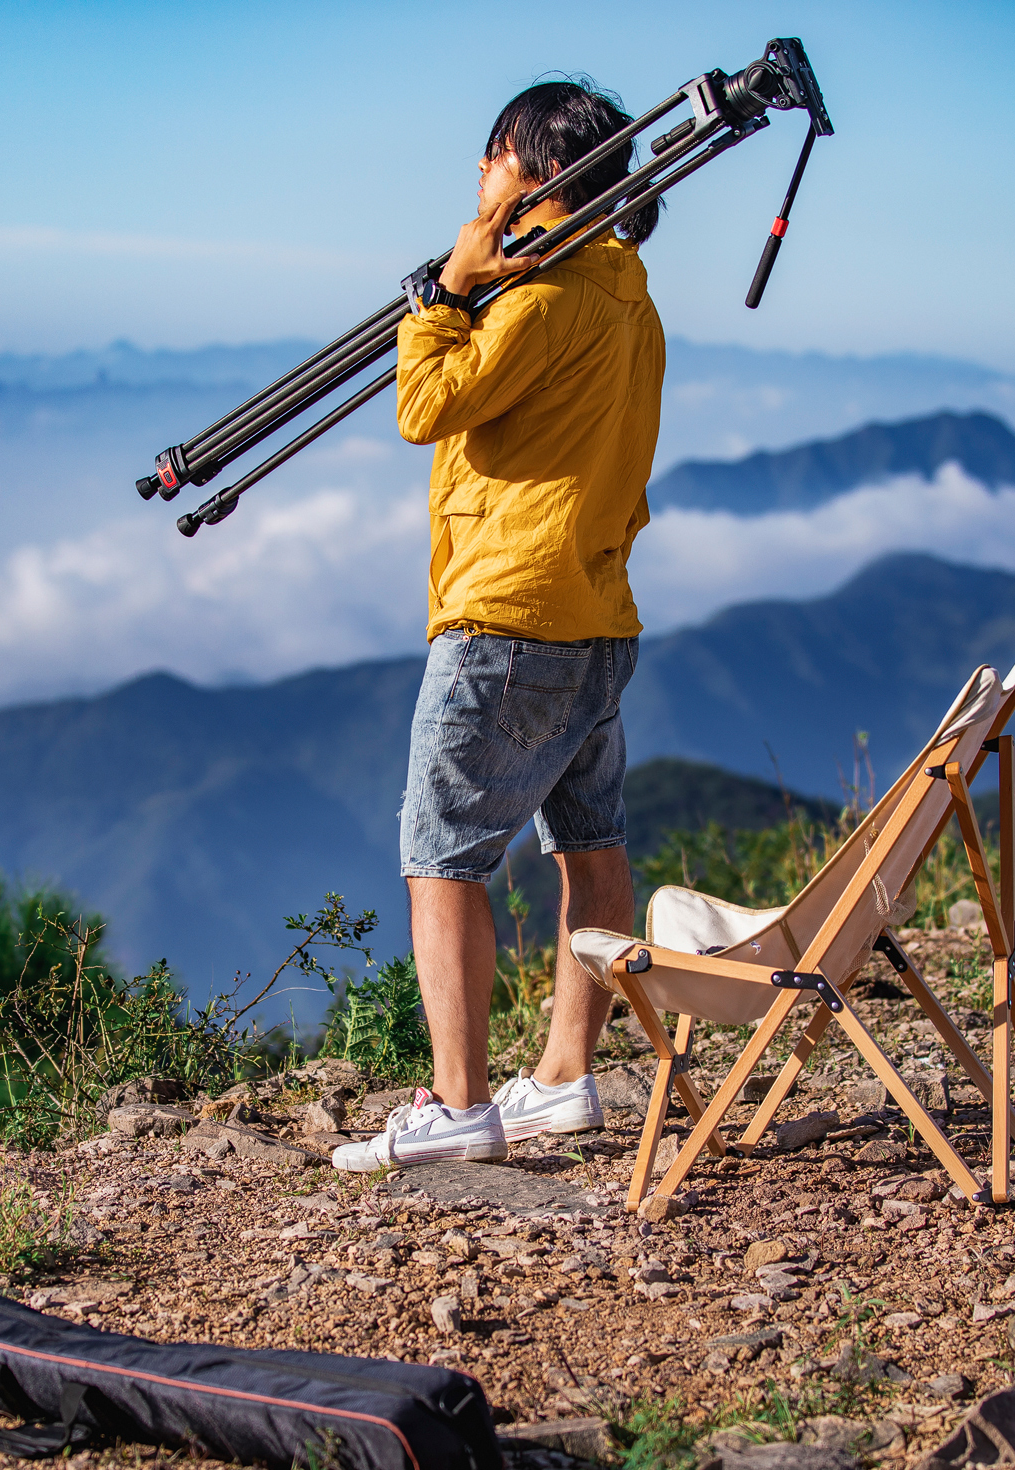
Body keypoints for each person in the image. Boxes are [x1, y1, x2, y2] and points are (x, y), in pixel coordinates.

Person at [333, 79, 664, 1172]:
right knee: (590, 842)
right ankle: (565, 1079)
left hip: (506, 615)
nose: (476, 179)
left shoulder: (541, 296)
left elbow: (426, 407)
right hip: (595, 611)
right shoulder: (627, 292)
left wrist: (447, 292)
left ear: (525, 167)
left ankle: (458, 1100)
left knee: (443, 857)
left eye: (488, 160)